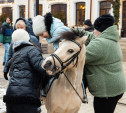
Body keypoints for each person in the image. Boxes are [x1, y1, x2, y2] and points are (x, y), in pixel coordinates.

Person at [85, 14, 126, 113]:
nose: (93, 31)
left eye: (94, 29)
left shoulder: (99, 44)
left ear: (100, 30)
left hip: (106, 92)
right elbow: (90, 35)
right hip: (116, 87)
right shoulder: (111, 39)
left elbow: (78, 58)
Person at [3, 29, 46, 113]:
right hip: (27, 96)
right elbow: (42, 68)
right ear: (27, 38)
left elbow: (8, 63)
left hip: (11, 95)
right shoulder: (32, 50)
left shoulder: (16, 53)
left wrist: (5, 70)